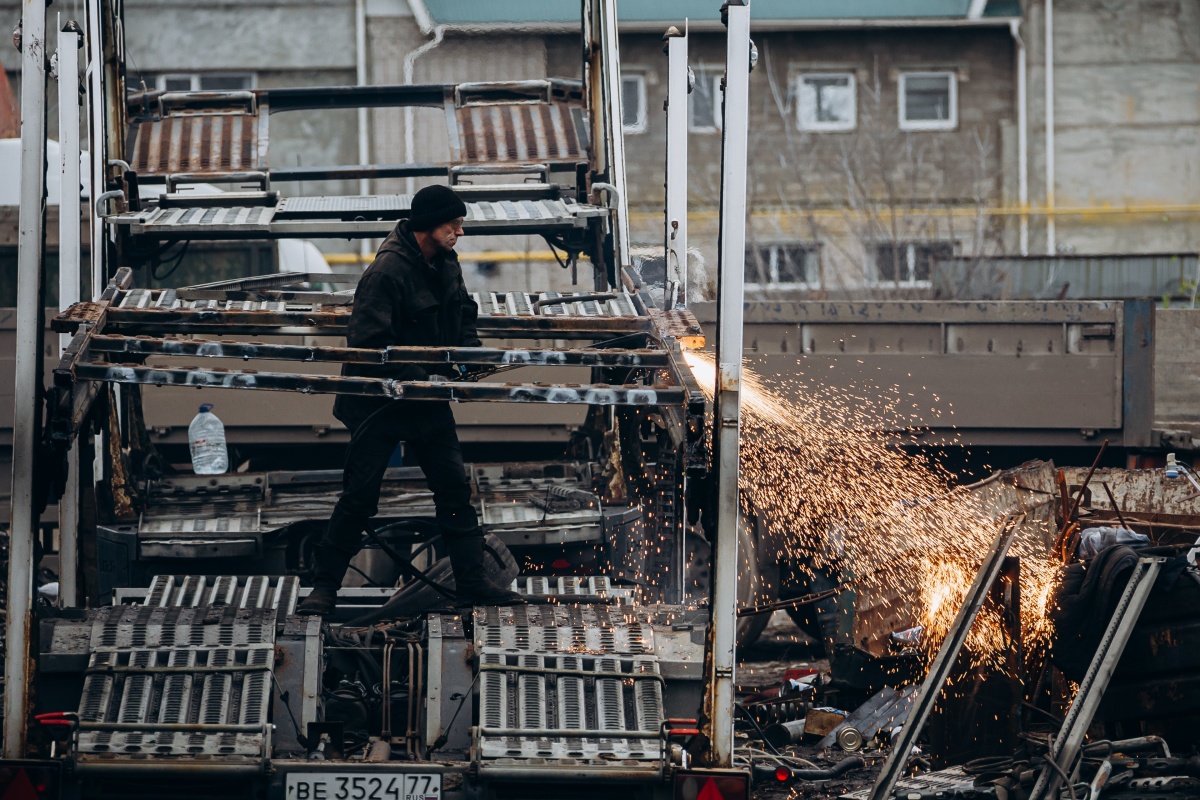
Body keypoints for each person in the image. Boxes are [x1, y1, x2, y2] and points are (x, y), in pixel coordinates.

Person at [297, 185, 525, 615]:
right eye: (452, 223)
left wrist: (470, 358)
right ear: (427, 226)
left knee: (454, 490)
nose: (460, 230)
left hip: (426, 399)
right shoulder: (386, 273)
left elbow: (462, 313)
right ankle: (324, 589)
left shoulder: (445, 264)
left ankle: (472, 584)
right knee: (359, 497)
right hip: (378, 404)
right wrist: (423, 377)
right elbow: (367, 344)